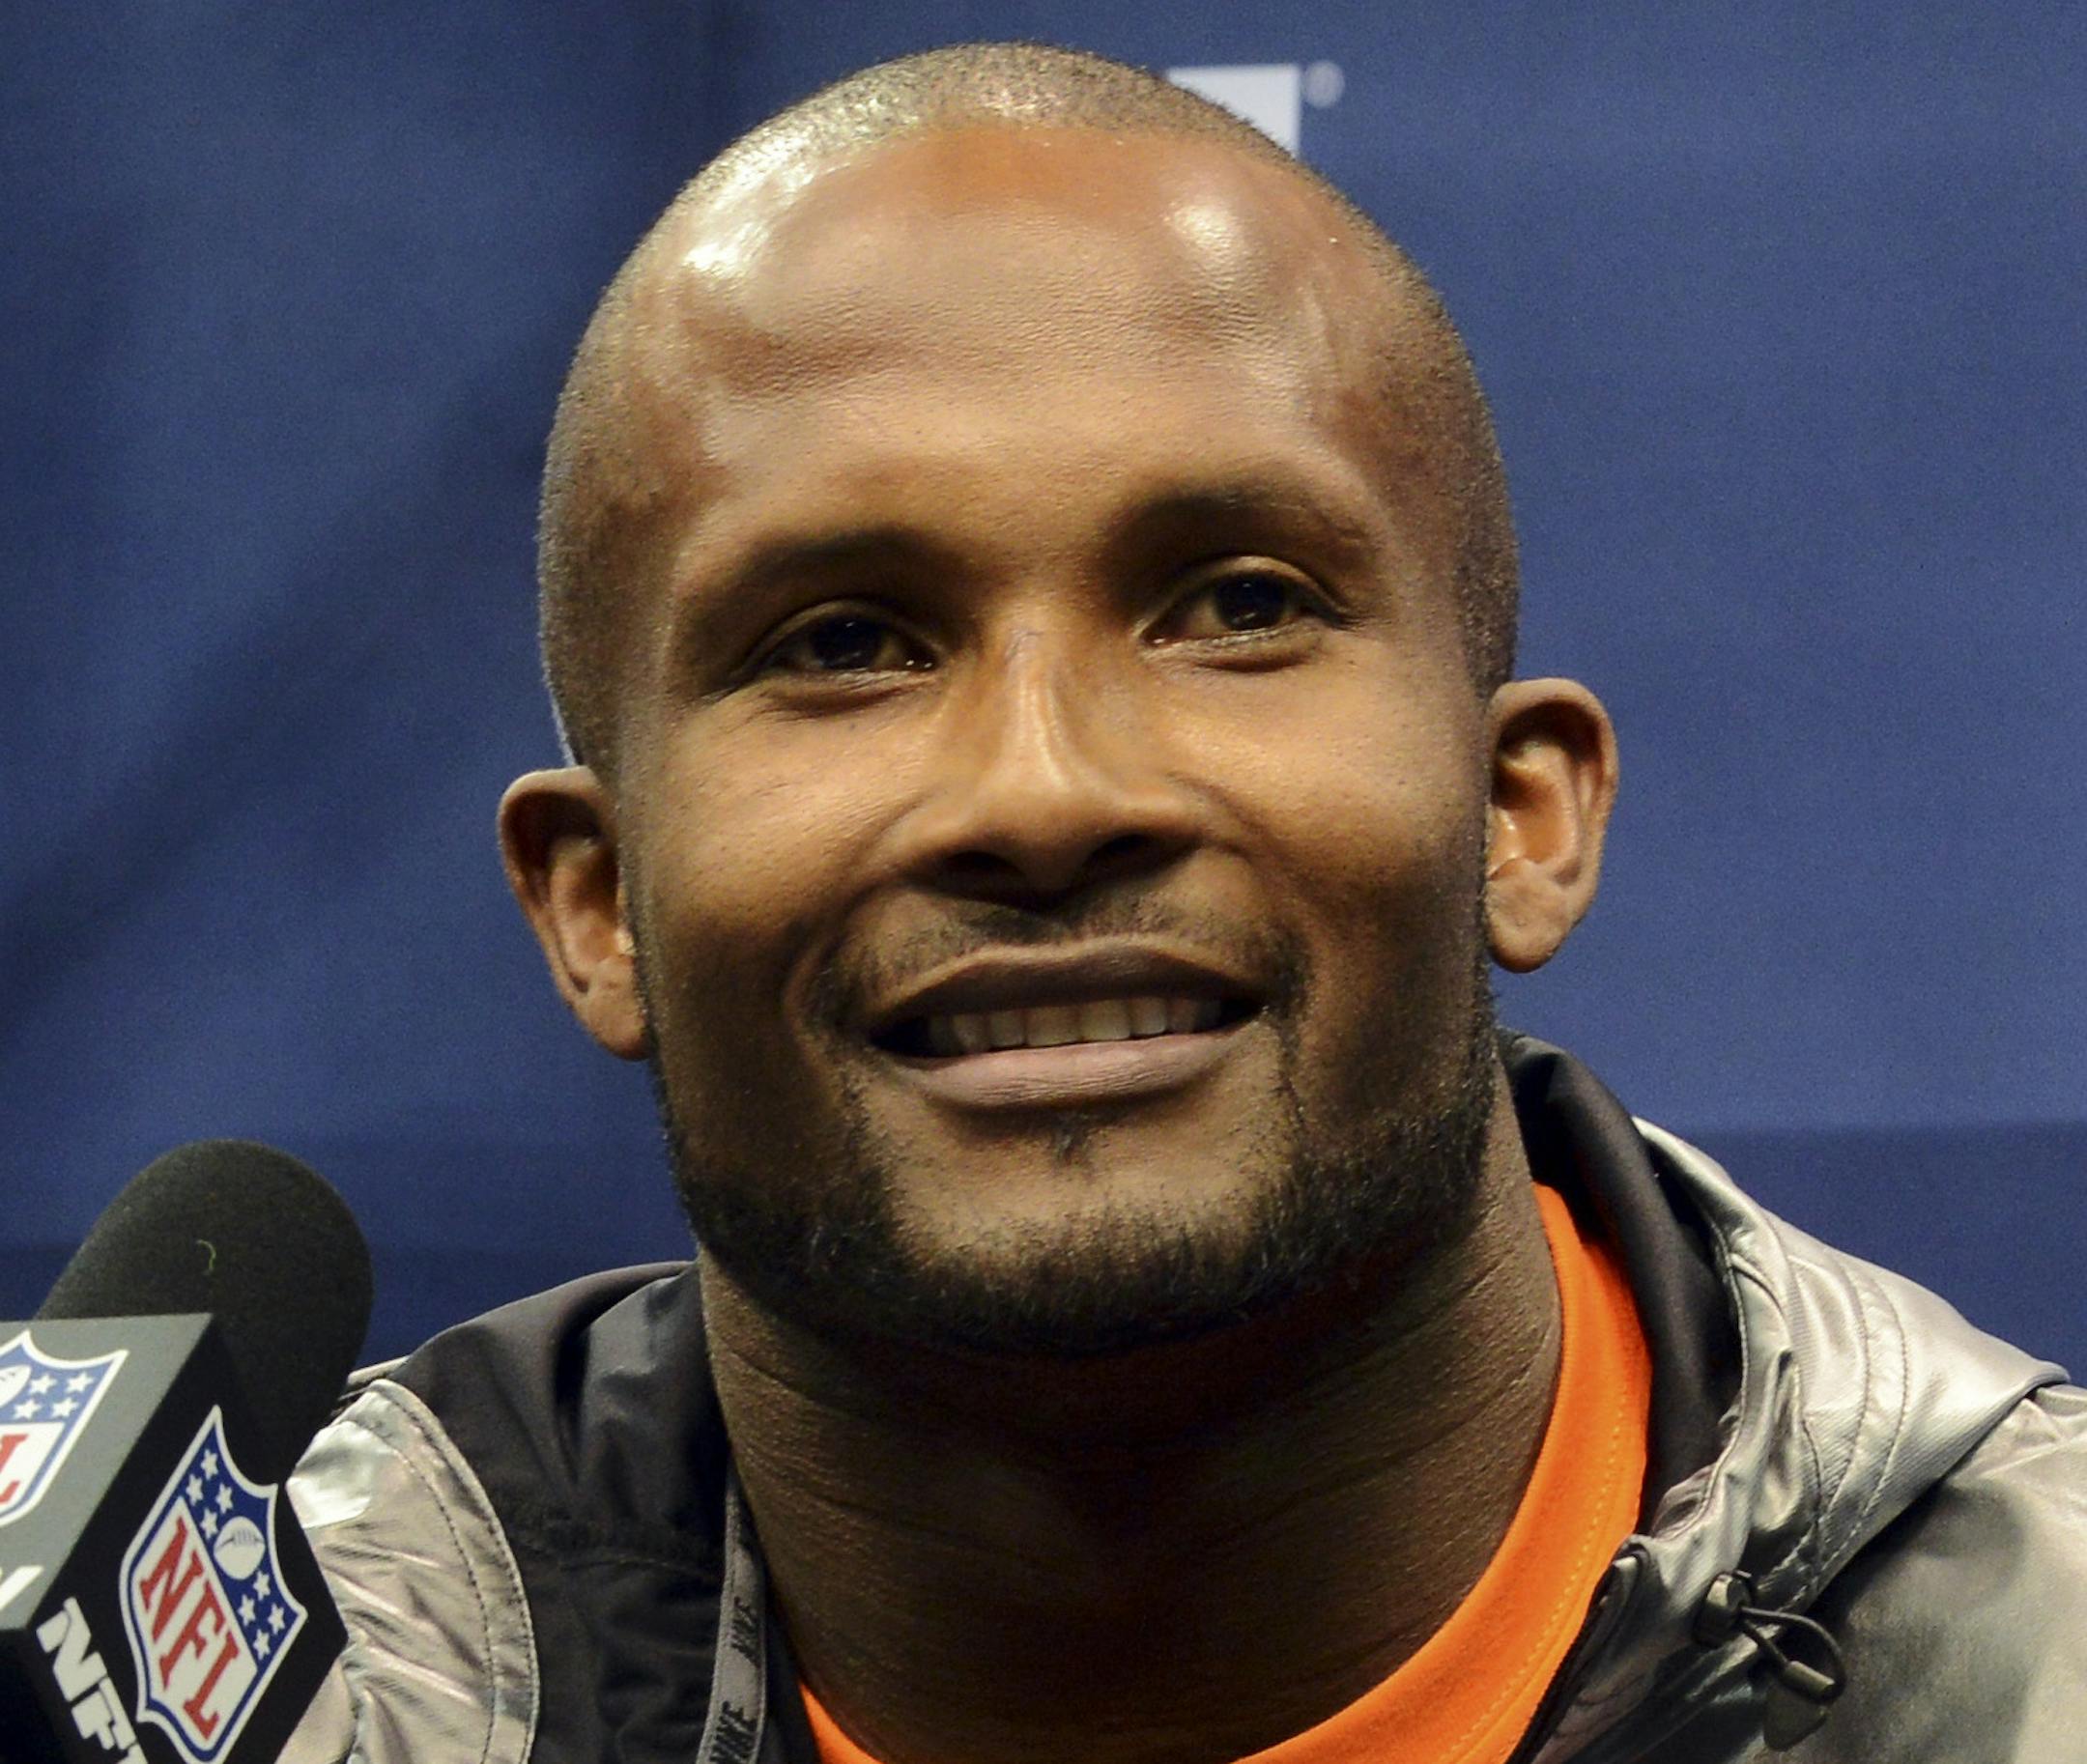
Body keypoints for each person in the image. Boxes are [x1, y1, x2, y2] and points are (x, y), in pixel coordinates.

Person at [282, 42, 2084, 1764]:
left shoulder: (2042, 1656)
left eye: (1237, 605)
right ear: (595, 906)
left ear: (1512, 811)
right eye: (844, 642)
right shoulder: (258, 1695)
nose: (1047, 793)